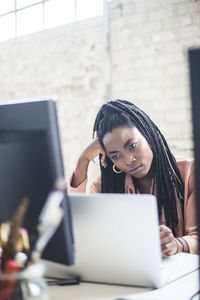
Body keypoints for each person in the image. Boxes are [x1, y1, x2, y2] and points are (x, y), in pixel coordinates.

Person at [68, 99, 198, 256]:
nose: (128, 160)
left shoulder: (190, 172)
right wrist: (83, 159)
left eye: (132, 146)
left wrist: (177, 244)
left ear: (148, 135)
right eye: (115, 155)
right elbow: (76, 229)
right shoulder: (105, 186)